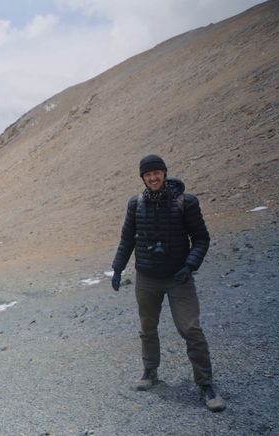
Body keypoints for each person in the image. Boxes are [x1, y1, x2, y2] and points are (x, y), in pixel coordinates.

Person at [111, 154, 226, 412]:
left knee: (191, 329)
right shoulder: (136, 204)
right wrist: (117, 269)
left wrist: (189, 266)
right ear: (142, 178)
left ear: (164, 173)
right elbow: (127, 239)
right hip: (147, 277)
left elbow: (201, 239)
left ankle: (206, 385)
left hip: (178, 277)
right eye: (148, 174)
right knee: (147, 327)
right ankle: (150, 372)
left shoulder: (186, 202)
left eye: (157, 172)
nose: (153, 177)